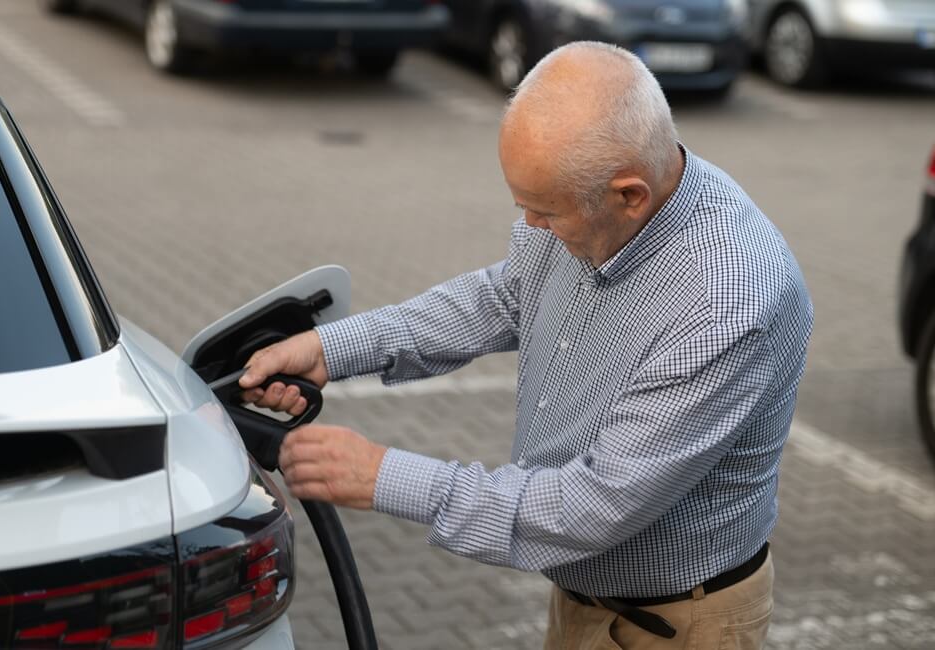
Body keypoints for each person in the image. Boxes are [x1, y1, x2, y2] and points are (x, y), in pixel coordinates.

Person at [238, 41, 813, 649]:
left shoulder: (727, 303)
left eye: (545, 213)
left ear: (629, 195)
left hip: (679, 624)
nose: (531, 227)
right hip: (583, 596)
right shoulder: (595, 202)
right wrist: (334, 348)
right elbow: (505, 295)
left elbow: (592, 507)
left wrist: (383, 476)